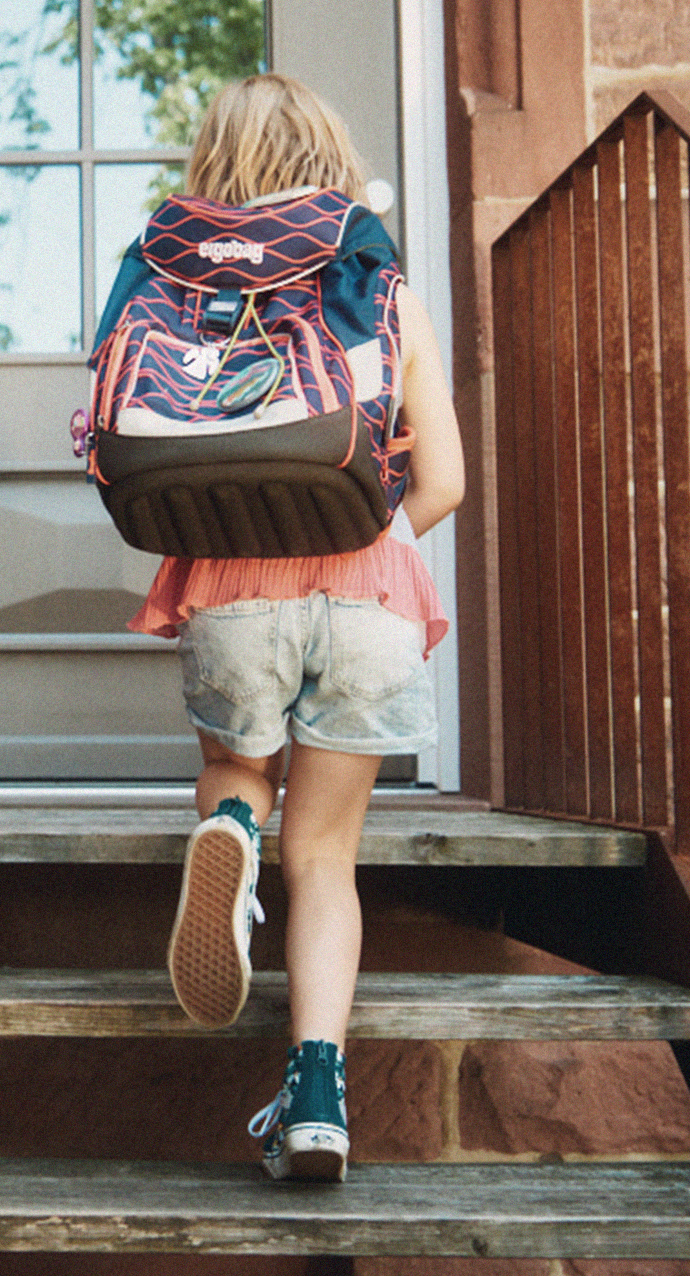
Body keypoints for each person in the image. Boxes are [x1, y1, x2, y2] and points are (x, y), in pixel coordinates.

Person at [103, 74, 465, 1181]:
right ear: (331, 156)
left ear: (210, 163)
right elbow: (443, 483)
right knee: (331, 857)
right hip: (368, 596)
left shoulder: (166, 263)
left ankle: (230, 832)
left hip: (232, 589)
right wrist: (356, 516)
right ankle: (317, 1097)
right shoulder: (376, 279)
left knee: (240, 769)